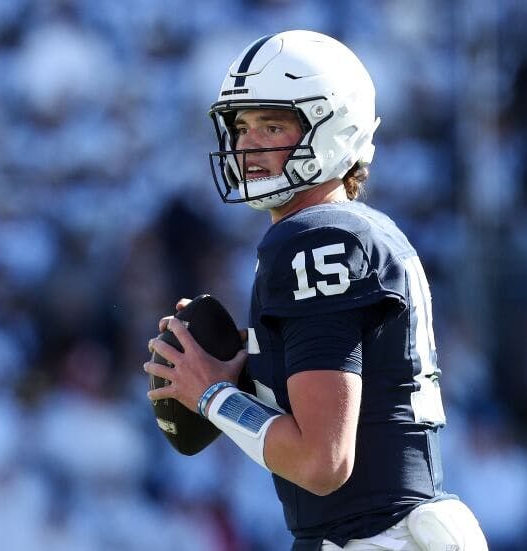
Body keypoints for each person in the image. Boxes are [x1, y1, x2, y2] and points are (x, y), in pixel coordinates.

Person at [144, 30, 488, 550]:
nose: (247, 144)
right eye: (241, 126)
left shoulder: (314, 240)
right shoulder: (359, 230)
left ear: (333, 129)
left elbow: (321, 462)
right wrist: (247, 378)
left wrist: (212, 395)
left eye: (273, 124)